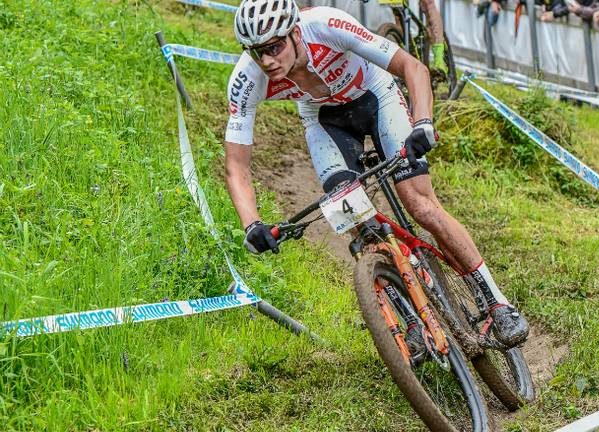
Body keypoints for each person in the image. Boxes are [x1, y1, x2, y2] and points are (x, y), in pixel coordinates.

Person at [225, 0, 530, 348]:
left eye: (274, 47)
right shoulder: (246, 80)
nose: (266, 61)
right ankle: (410, 318)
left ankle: (496, 302)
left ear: (295, 33)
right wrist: (251, 224)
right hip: (324, 120)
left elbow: (413, 68)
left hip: (376, 95)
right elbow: (236, 165)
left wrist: (423, 122)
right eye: (256, 52)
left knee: (420, 204)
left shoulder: (327, 25)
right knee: (353, 217)